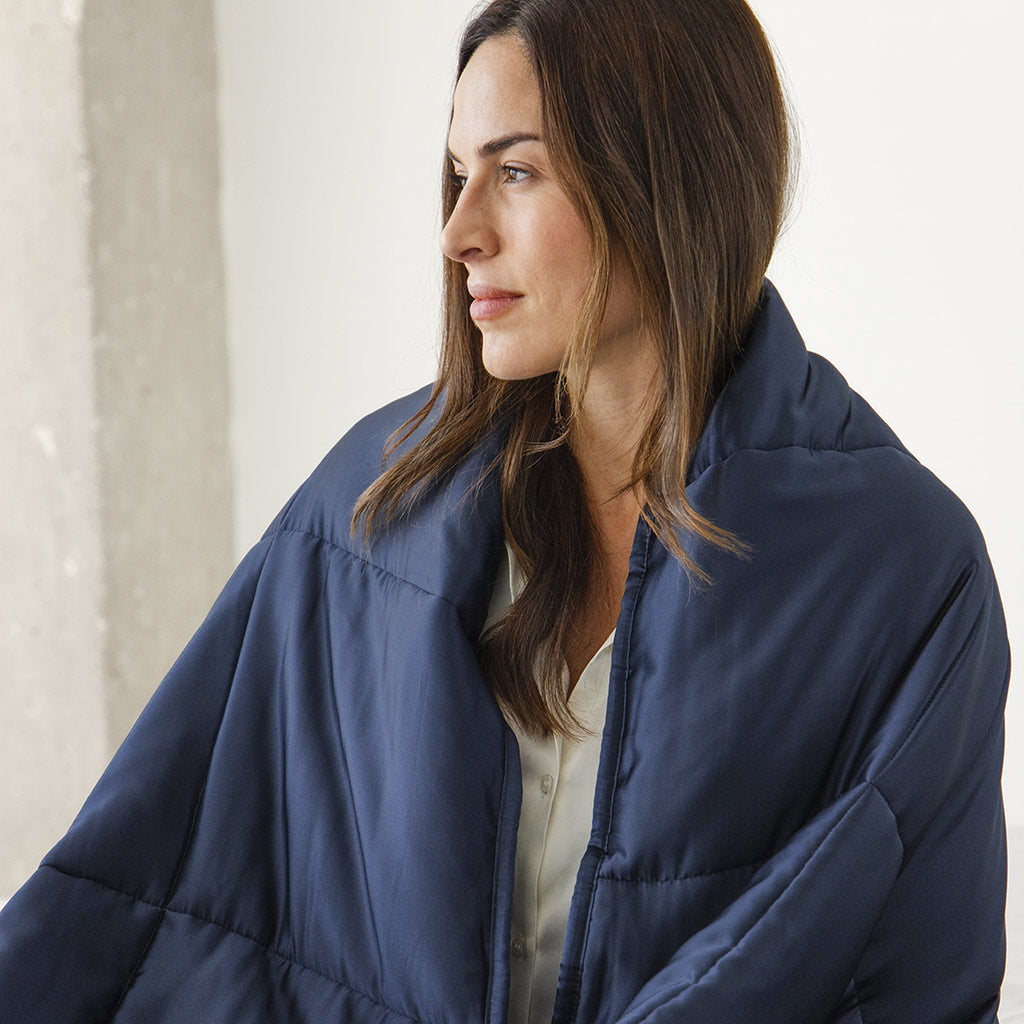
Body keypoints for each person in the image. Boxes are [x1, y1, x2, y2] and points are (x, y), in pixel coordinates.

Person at [0, 0, 1010, 1021]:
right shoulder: (368, 510)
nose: (458, 233)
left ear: (666, 172)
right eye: (458, 174)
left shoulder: (903, 569)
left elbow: (909, 981)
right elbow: (144, 891)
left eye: (515, 171)